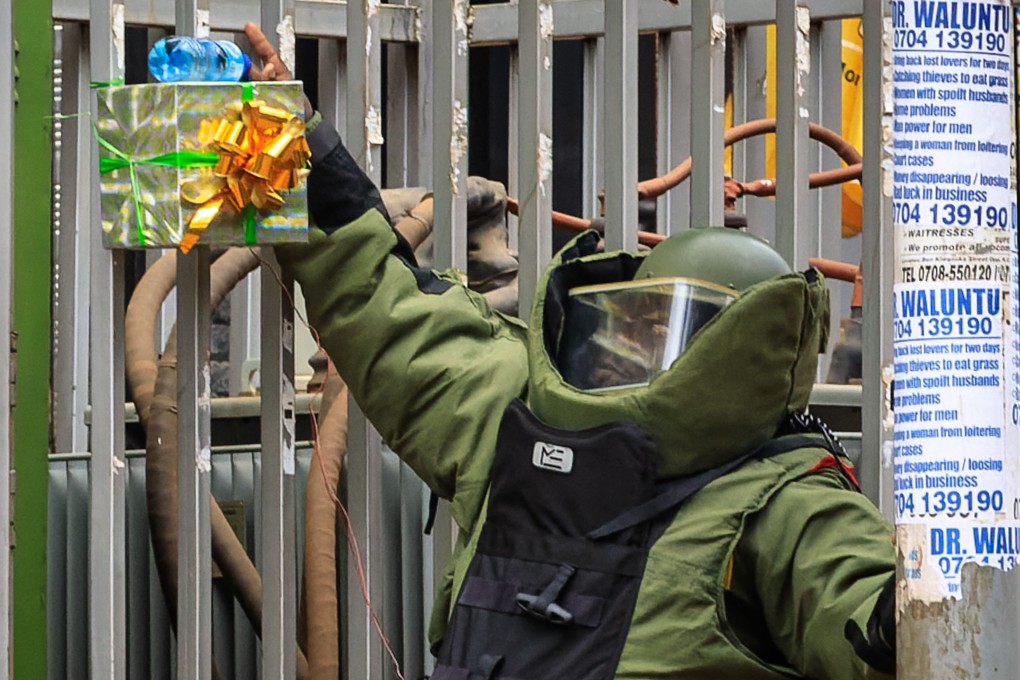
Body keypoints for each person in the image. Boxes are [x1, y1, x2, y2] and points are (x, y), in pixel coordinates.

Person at [245, 24, 896, 680]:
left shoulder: (783, 499)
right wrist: (284, 130)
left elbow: (874, 622)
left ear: (735, 353)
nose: (627, 350)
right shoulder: (517, 406)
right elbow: (386, 305)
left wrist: (292, 135)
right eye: (632, 323)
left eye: (665, 330)